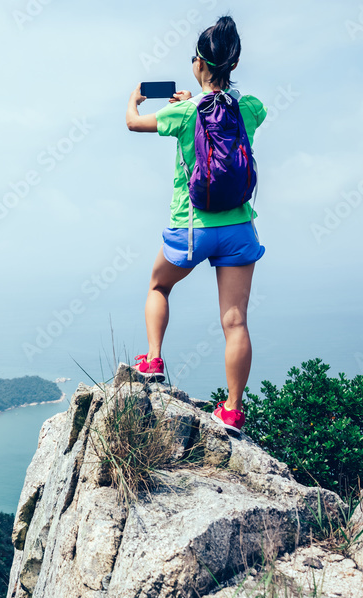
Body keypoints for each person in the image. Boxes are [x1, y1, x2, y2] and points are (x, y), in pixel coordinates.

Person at [124, 15, 267, 434]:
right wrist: (199, 100)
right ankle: (234, 411)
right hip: (239, 227)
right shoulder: (251, 108)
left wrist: (134, 98)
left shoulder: (185, 112)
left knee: (158, 285)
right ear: (234, 65)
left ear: (198, 64)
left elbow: (133, 123)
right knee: (236, 320)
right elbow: (230, 111)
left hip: (192, 228)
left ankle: (152, 360)